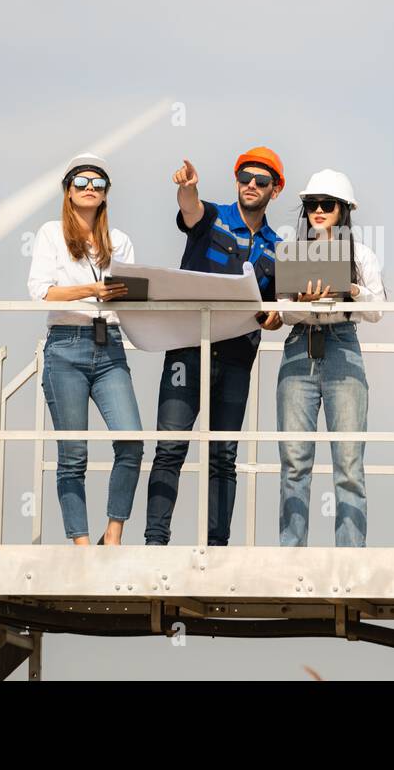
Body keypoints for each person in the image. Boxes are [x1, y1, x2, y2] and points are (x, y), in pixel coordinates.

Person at [144, 148, 286, 546]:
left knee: (223, 456)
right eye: (245, 178)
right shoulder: (213, 217)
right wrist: (188, 189)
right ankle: (155, 542)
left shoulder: (279, 247)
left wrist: (274, 319)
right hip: (189, 349)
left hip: (239, 358)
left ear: (275, 190)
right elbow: (190, 210)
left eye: (261, 181)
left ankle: (218, 547)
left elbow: (275, 311)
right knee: (170, 446)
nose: (251, 186)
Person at [26, 153, 142, 546]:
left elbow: (130, 296)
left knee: (131, 440)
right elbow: (42, 291)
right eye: (81, 182)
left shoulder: (120, 241)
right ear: (68, 190)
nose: (90, 188)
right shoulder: (49, 234)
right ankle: (80, 543)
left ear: (106, 193)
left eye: (98, 183)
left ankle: (113, 535)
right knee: (73, 453)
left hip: (109, 344)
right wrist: (92, 290)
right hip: (66, 344)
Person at [275, 169, 385, 547]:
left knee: (349, 460)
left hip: (342, 344)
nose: (318, 211)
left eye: (327, 205)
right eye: (311, 205)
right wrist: (300, 302)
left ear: (343, 210)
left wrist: (351, 290)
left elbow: (378, 310)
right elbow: (283, 313)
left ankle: (350, 556)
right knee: (294, 460)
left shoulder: (363, 254)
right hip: (298, 344)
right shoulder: (290, 251)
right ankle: (292, 555)